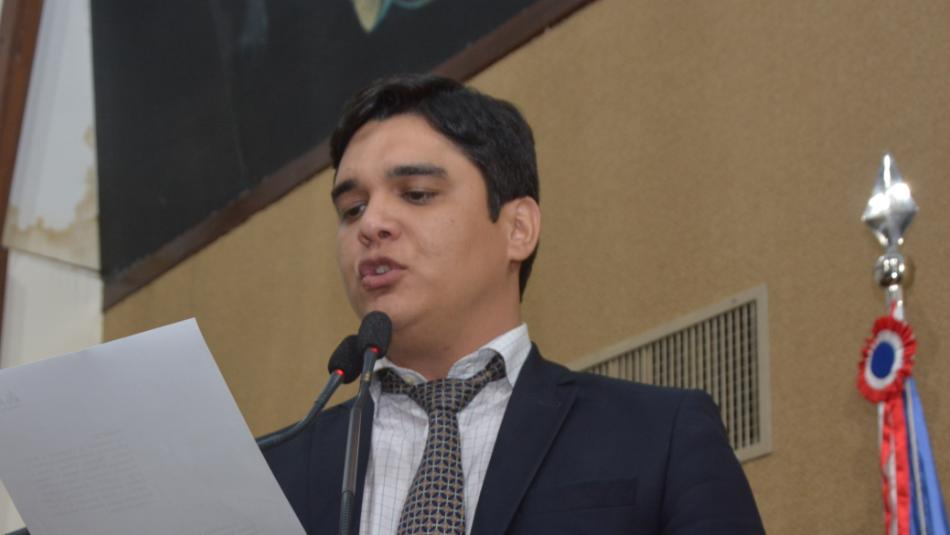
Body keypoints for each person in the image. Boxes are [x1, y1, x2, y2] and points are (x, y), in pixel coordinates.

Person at [264, 73, 765, 535]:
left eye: (416, 194)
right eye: (353, 208)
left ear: (518, 228)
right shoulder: (273, 474)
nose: (372, 224)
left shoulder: (660, 434)